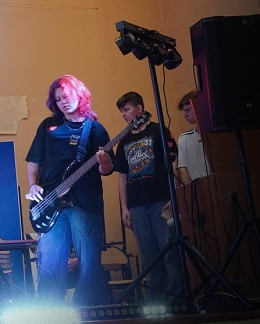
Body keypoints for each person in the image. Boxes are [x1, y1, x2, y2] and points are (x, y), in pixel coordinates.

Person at [24, 75, 113, 306]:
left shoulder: (94, 128)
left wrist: (104, 161)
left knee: (89, 265)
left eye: (66, 96)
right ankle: (51, 313)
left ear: (79, 94)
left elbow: (106, 170)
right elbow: (34, 162)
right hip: (50, 203)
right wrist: (33, 184)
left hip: (85, 202)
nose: (62, 102)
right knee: (50, 265)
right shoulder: (48, 126)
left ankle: (87, 312)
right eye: (58, 99)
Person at [113, 92, 182, 300]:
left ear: (139, 109)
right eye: (121, 112)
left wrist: (174, 195)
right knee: (150, 259)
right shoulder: (124, 141)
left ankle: (177, 301)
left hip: (161, 201)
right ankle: (156, 304)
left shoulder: (158, 131)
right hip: (136, 207)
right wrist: (124, 208)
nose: (123, 115)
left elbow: (173, 163)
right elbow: (122, 177)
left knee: (170, 254)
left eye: (126, 110)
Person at [176, 90, 210, 185]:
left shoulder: (216, 135)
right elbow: (183, 170)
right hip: (197, 188)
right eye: (184, 111)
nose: (185, 115)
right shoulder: (184, 138)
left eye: (188, 110)